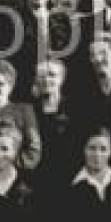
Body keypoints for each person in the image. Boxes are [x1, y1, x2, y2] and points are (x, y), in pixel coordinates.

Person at [14, 0, 76, 99]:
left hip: (59, 91)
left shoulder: (65, 21)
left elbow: (71, 58)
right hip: (24, 91)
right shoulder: (12, 22)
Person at [31, 59, 78, 195]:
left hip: (69, 177)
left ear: (62, 79)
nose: (46, 79)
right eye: (41, 75)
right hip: (36, 179)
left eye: (52, 74)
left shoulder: (74, 109)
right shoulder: (29, 109)